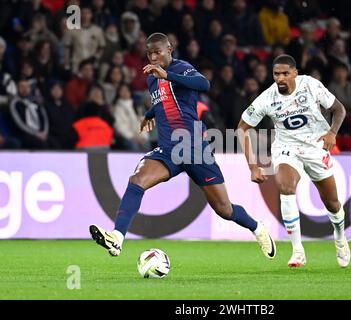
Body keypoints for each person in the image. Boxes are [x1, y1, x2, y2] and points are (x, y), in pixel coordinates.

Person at [89, 33, 276, 260]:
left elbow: (203, 84)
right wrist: (149, 114)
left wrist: (167, 75)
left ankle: (257, 228)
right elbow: (161, 101)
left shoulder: (181, 68)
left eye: (158, 51)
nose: (154, 56)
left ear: (169, 49)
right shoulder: (151, 78)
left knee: (224, 209)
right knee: (137, 180)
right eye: (149, 53)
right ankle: (117, 238)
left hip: (195, 149)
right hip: (169, 150)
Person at [237, 54, 351, 268]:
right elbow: (241, 129)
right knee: (285, 186)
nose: (280, 78)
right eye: (276, 74)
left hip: (316, 145)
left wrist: (332, 133)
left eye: (285, 74)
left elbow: (339, 109)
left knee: (332, 203)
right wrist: (252, 166)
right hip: (286, 147)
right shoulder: (266, 98)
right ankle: (298, 250)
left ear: (295, 73)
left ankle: (340, 237)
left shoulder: (310, 85)